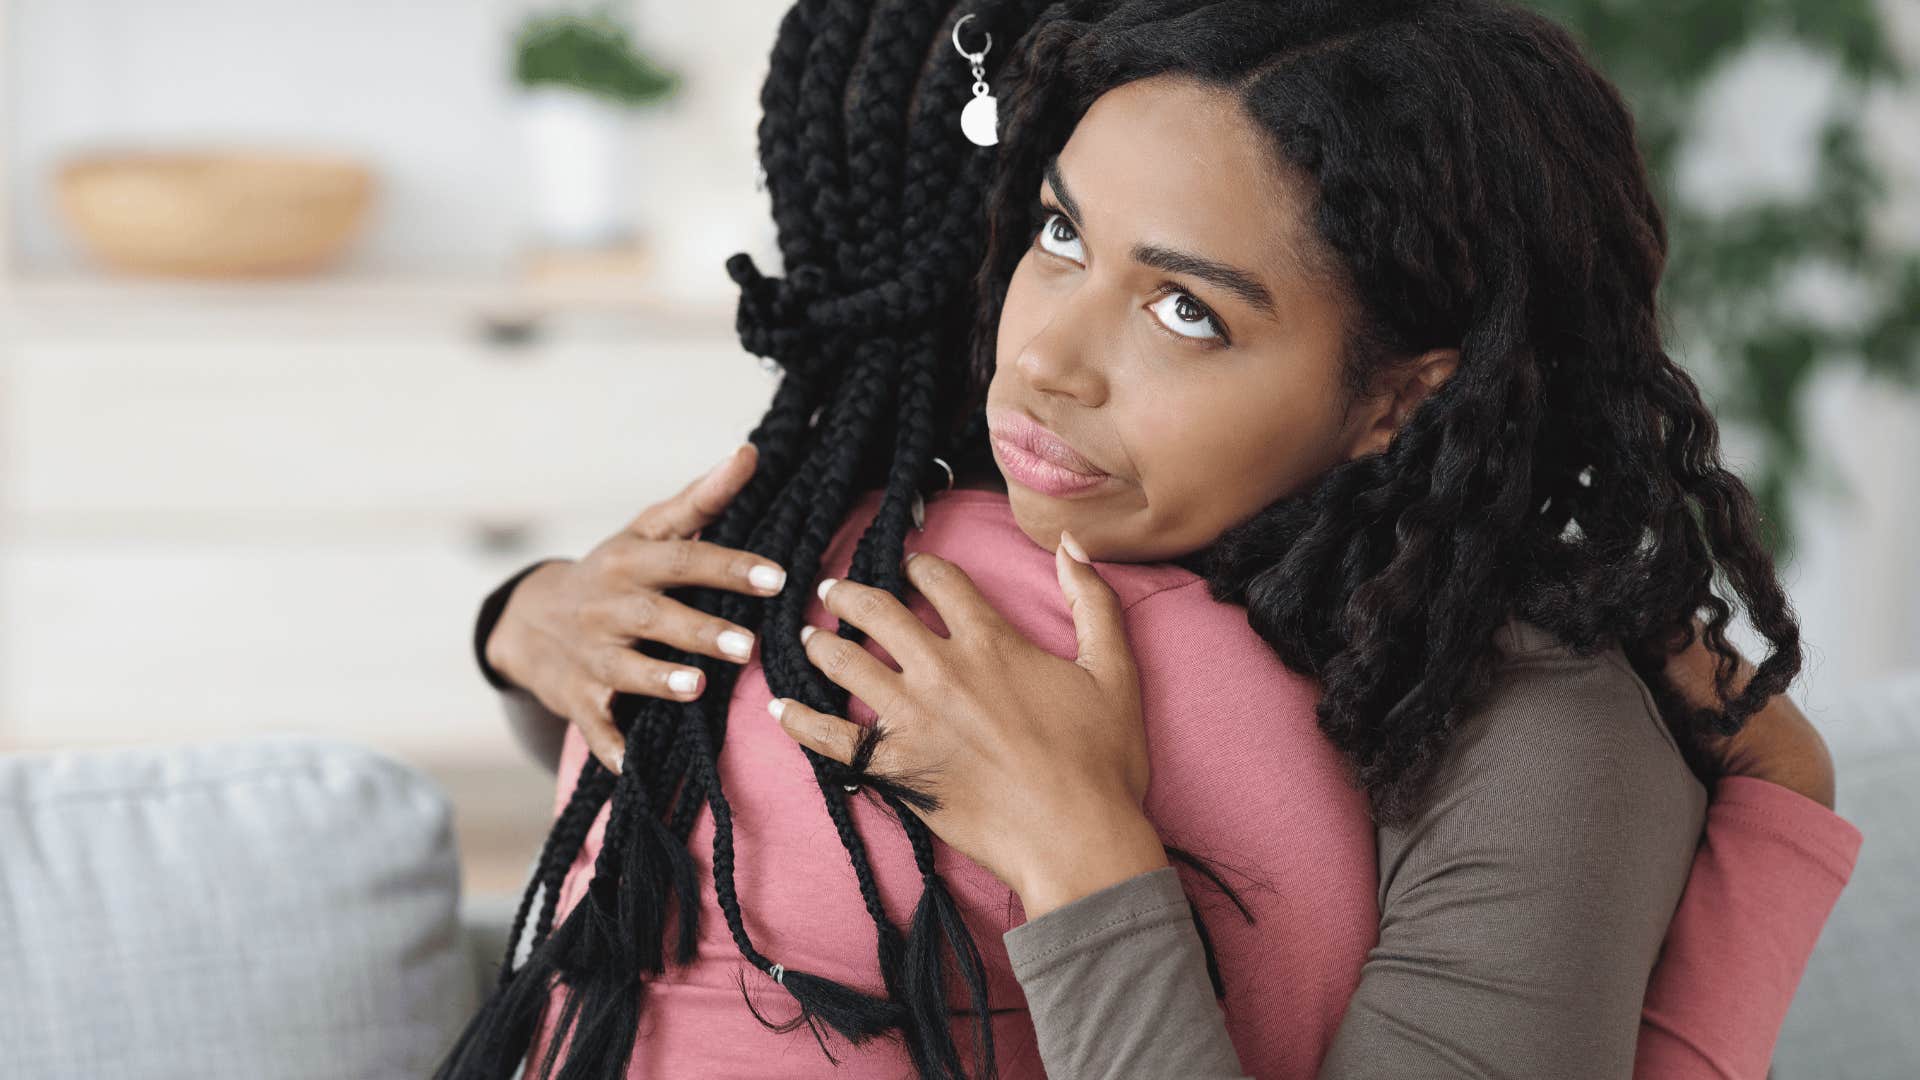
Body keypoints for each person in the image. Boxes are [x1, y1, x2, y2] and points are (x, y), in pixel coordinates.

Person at [436, 2, 1865, 1078]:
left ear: (1398, 397)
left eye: (1189, 311)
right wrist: (535, 628)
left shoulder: (1528, 720)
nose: (1047, 357)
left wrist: (1080, 860)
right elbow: (714, 791)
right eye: (1060, 237)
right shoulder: (918, 510)